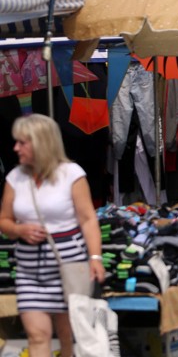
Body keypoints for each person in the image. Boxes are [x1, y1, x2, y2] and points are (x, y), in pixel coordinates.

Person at [0, 114, 105, 357]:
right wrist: (18, 229)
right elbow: (4, 220)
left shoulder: (71, 174)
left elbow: (88, 219)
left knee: (67, 333)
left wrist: (95, 258)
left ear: (41, 142)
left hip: (67, 265)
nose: (15, 148)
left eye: (22, 142)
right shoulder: (15, 178)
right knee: (37, 335)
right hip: (29, 269)